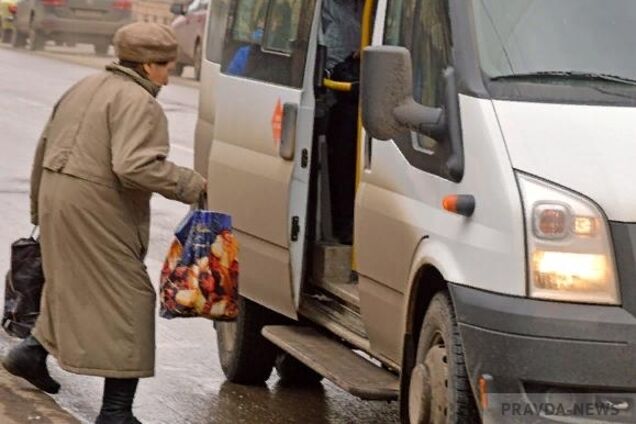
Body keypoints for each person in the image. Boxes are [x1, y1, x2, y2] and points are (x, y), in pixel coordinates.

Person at [2, 22, 206, 424]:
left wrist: (38, 213)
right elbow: (134, 166)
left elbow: (43, 146)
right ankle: (116, 412)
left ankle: (31, 352)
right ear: (148, 66)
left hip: (57, 199)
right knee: (131, 299)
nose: (171, 74)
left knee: (68, 285)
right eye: (167, 65)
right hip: (95, 208)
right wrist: (192, 184)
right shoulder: (139, 102)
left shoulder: (85, 86)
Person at [320, 0, 363, 244]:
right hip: (339, 102)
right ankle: (344, 227)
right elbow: (330, 63)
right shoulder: (333, 9)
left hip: (361, 98)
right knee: (344, 164)